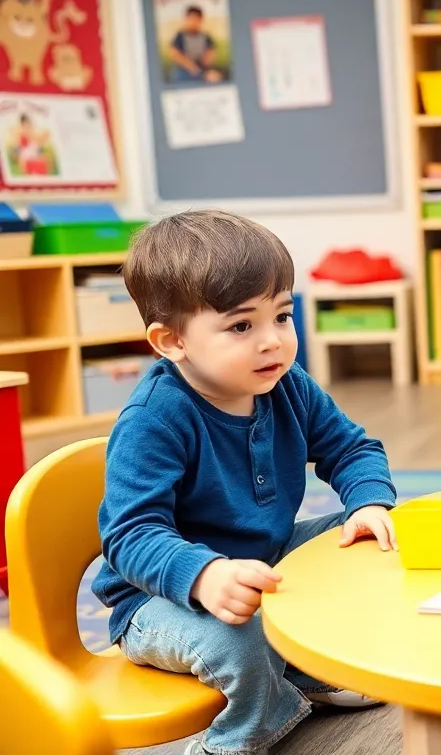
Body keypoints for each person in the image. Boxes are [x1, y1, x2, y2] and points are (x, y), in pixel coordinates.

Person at [91, 210, 398, 755]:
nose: (272, 341)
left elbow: (352, 448)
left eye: (282, 316)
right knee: (242, 639)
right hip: (157, 600)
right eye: (241, 326)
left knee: (369, 544)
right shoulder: (153, 419)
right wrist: (204, 574)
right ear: (171, 341)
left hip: (264, 558)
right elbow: (130, 535)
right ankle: (236, 740)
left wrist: (368, 504)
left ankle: (301, 673)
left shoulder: (288, 385)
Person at [168, 4, 222, 83]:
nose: (193, 23)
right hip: (184, 69)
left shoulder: (205, 37)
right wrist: (191, 67)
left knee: (215, 76)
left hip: (201, 68)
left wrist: (204, 64)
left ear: (201, 20)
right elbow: (175, 53)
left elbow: (211, 52)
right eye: (191, 19)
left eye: (196, 20)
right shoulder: (180, 36)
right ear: (186, 19)